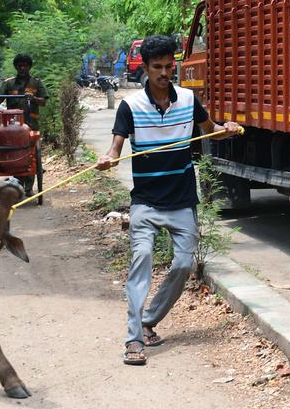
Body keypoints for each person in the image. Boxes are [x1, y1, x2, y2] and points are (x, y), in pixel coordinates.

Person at [96, 34, 241, 366]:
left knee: (183, 264)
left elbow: (210, 128)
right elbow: (115, 149)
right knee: (141, 260)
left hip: (182, 201)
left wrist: (227, 128)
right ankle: (134, 340)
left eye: (168, 66)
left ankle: (148, 320)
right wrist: (108, 158)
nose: (165, 72)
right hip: (145, 203)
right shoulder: (130, 106)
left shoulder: (189, 100)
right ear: (145, 69)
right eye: (157, 67)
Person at [0, 53, 49, 196]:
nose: (22, 68)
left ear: (29, 67)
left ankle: (29, 186)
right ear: (16, 67)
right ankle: (18, 183)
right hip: (12, 127)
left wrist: (33, 98)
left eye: (25, 65)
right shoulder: (8, 83)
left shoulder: (36, 83)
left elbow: (43, 101)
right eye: (20, 66)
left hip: (31, 124)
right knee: (15, 153)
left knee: (31, 154)